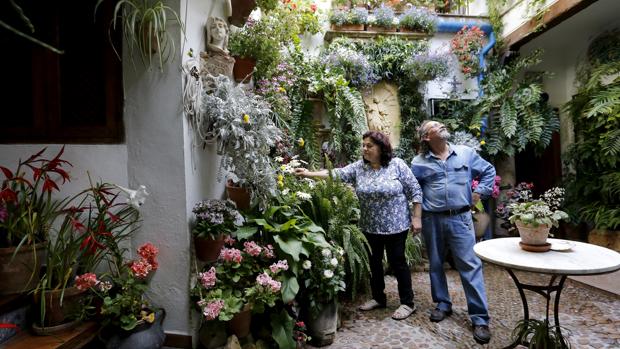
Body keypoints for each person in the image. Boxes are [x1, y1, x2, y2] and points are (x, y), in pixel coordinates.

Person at [295, 131, 423, 321]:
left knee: (398, 263)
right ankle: (378, 298)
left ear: (381, 148)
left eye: (369, 145)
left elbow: (415, 190)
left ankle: (407, 303)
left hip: (396, 226)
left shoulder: (397, 165)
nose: (364, 149)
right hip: (370, 226)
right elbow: (335, 173)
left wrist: (417, 217)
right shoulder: (359, 168)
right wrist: (307, 173)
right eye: (363, 145)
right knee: (374, 263)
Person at [410, 120, 495, 344]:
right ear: (426, 137)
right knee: (436, 264)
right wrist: (416, 217)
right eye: (435, 125)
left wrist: (479, 192)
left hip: (461, 218)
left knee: (469, 265)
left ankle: (479, 319)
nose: (441, 125)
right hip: (432, 219)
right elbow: (415, 191)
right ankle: (443, 304)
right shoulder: (418, 162)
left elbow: (488, 171)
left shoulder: (466, 153)